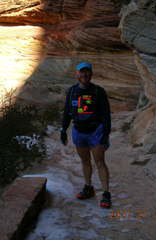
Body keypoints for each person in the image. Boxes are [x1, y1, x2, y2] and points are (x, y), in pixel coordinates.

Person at [60, 62, 112, 208]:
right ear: (76, 74)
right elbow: (67, 112)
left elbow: (106, 115)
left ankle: (106, 193)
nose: (85, 75)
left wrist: (105, 134)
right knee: (85, 161)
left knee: (100, 162)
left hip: (95, 131)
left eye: (87, 72)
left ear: (91, 74)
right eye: (82, 72)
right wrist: (63, 130)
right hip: (78, 131)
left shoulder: (98, 91)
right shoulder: (71, 91)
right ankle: (88, 187)